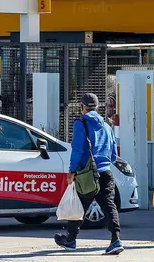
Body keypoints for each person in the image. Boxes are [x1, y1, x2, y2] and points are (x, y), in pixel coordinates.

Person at [55, 93, 123, 255]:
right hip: (106, 172)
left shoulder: (81, 124)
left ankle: (71, 240)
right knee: (109, 206)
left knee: (78, 205)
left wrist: (72, 171)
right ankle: (116, 240)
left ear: (82, 107)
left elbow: (77, 150)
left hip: (87, 174)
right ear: (98, 107)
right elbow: (113, 153)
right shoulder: (107, 125)